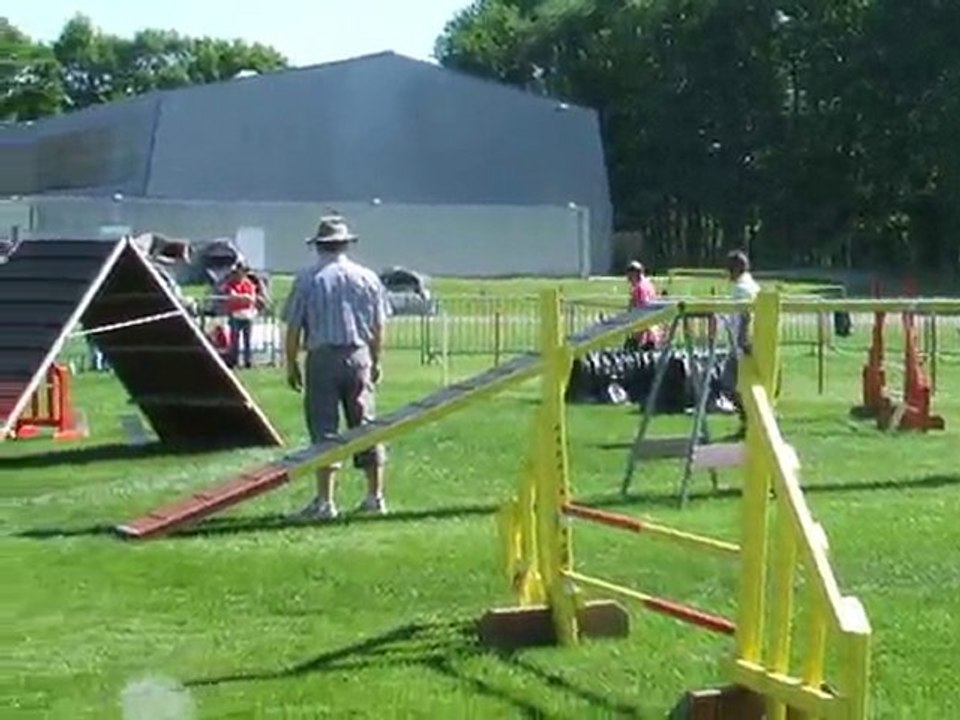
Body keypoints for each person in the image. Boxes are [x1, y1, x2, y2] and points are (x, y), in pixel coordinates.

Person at [283, 215, 391, 521]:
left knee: (324, 427)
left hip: (322, 357)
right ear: (346, 244)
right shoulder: (367, 277)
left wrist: (291, 363)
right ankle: (375, 496)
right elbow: (379, 326)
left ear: (319, 246)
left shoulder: (307, 278)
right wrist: (376, 360)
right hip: (358, 355)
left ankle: (325, 501)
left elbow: (293, 328)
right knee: (366, 425)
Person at [721, 249, 761, 437]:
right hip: (750, 343)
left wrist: (741, 340)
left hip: (742, 345)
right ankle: (750, 421)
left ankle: (749, 420)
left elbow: (745, 314)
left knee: (729, 384)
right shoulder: (752, 285)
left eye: (729, 268)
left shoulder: (742, 289)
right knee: (743, 386)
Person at [223, 263, 259, 369]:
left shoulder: (249, 284)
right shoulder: (231, 284)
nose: (242, 273)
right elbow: (232, 296)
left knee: (247, 340)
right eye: (241, 270)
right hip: (235, 315)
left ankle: (248, 361)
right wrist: (244, 297)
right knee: (235, 340)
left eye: (244, 271)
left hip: (248, 315)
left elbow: (252, 298)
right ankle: (233, 361)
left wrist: (244, 298)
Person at [625, 260, 661, 351]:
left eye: (629, 276)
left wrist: (636, 338)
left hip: (647, 337)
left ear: (634, 274)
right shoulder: (649, 284)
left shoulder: (639, 289)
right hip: (653, 333)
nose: (629, 280)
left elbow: (643, 314)